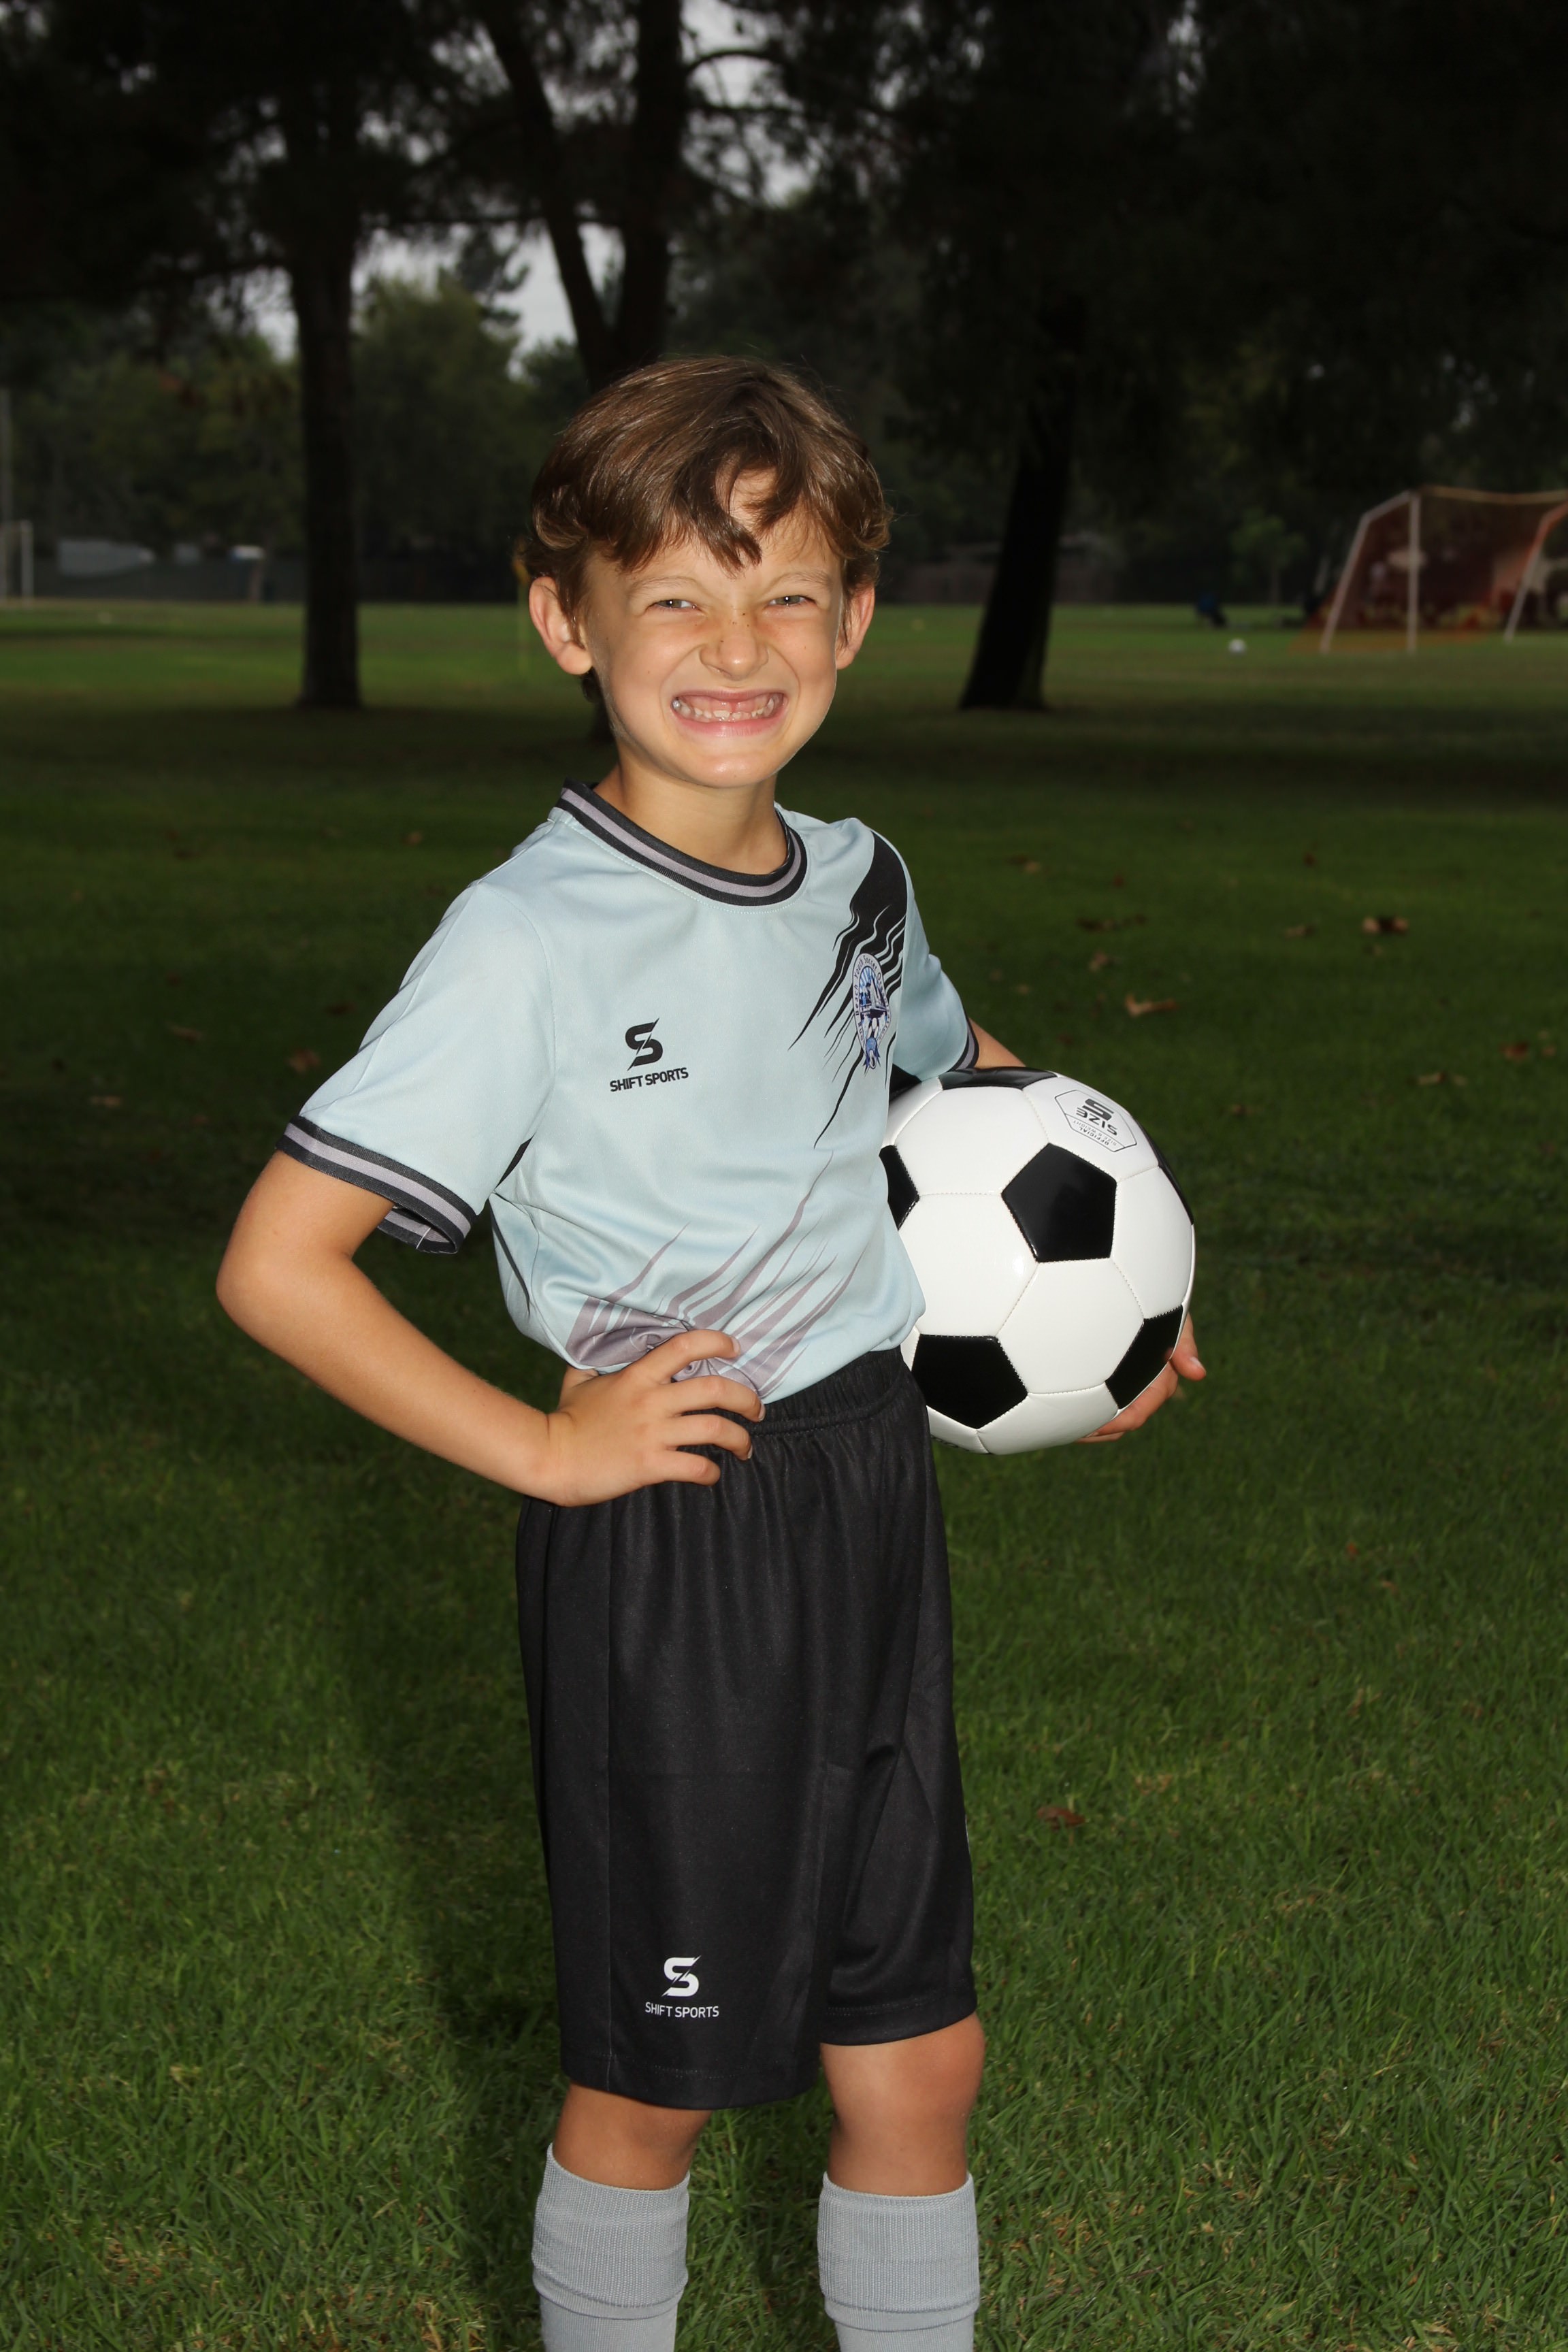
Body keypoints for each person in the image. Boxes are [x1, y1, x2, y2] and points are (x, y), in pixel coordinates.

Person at [216, 357, 1204, 2352]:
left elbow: (965, 1076)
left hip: (869, 1491)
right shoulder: (527, 943)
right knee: (655, 2081)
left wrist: (1122, 1312)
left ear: (855, 620)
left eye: (786, 594)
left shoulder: (855, 878)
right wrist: (546, 1451)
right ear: (566, 620)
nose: (735, 647)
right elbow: (277, 1265)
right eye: (673, 595)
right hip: (677, 1524)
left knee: (917, 2054)